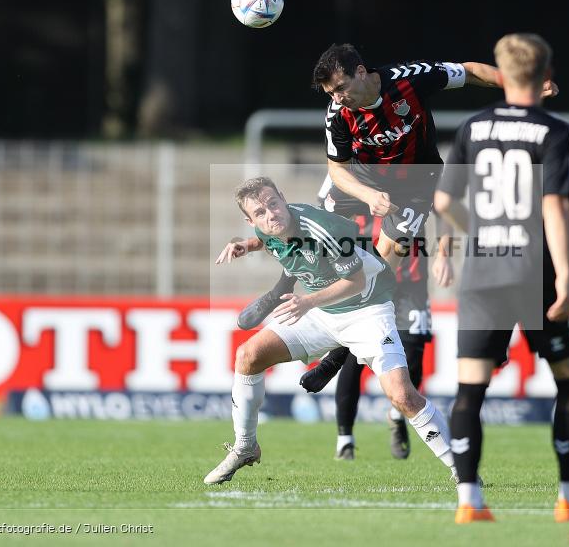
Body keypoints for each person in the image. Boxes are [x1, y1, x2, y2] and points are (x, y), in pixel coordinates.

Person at [433, 33, 569, 524]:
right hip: (535, 268)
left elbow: (445, 202)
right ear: (545, 73)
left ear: (500, 71)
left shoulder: (473, 126)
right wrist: (568, 279)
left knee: (470, 390)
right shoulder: (555, 130)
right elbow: (555, 206)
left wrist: (483, 233)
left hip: (484, 270)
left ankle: (470, 503)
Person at [234, 43, 506, 331]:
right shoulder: (337, 114)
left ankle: (346, 338)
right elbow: (336, 169)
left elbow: (470, 71)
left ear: (361, 72)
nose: (338, 97)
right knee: (313, 228)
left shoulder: (410, 79)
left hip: (416, 183)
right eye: (331, 93)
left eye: (341, 87)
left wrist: (519, 85)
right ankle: (280, 291)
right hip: (362, 178)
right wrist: (368, 194)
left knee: (384, 268)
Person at [204, 177, 458, 485]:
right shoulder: (265, 226)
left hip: (367, 310)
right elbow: (264, 235)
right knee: (248, 356)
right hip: (320, 311)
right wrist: (246, 244)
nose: (270, 214)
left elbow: (356, 282)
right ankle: (245, 446)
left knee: (403, 396)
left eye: (273, 203)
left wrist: (307, 301)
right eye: (260, 212)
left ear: (283, 198)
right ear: (251, 220)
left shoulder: (323, 228)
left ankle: (462, 470)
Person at [298, 209, 436, 460]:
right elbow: (325, 219)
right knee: (354, 358)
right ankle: (345, 439)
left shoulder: (415, 179)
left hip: (410, 283)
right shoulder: (348, 182)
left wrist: (444, 254)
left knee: (414, 353)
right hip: (369, 280)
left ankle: (397, 414)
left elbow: (442, 204)